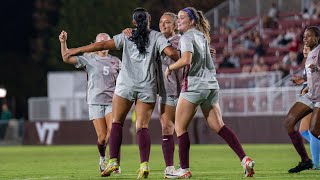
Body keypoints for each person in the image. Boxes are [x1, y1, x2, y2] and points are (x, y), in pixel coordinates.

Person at [63, 8, 179, 179]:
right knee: (142, 126)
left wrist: (78, 49)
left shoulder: (126, 35)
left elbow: (102, 45)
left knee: (117, 123)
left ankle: (114, 161)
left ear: (133, 22)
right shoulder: (157, 37)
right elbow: (172, 54)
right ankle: (144, 164)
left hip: (126, 86)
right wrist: (188, 57)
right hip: (147, 86)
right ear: (149, 20)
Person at [164, 7, 255, 178]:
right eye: (178, 18)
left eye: (182, 18)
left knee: (180, 127)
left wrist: (170, 67)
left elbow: (186, 60)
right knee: (218, 126)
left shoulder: (187, 37)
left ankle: (184, 169)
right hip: (211, 85)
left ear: (192, 21)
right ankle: (245, 160)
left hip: (195, 85)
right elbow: (205, 56)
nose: (178, 21)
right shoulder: (201, 36)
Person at [59, 32, 121, 175]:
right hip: (95, 102)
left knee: (113, 133)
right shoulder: (89, 58)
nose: (103, 45)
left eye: (106, 42)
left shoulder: (116, 61)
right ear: (95, 44)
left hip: (112, 101)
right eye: (100, 42)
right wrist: (63, 43)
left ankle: (114, 162)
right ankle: (102, 157)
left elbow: (125, 78)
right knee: (102, 137)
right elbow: (66, 58)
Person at [284, 26, 320, 173]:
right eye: (304, 36)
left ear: (317, 38)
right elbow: (314, 75)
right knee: (288, 123)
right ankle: (306, 160)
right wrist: (303, 79)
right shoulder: (310, 53)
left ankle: (315, 163)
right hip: (311, 94)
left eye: (309, 36)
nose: (305, 38)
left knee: (313, 131)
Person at [157, 12, 183, 178]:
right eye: (161, 22)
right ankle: (169, 167)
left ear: (174, 25)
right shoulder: (156, 40)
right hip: (166, 93)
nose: (163, 25)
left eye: (167, 22)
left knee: (181, 130)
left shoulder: (183, 40)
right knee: (166, 128)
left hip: (185, 93)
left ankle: (184, 165)